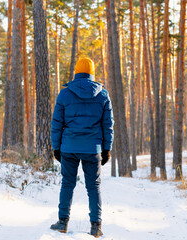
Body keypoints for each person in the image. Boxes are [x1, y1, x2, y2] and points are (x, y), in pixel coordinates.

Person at [50, 58, 114, 238]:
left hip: (69, 147)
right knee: (93, 186)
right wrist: (106, 148)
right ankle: (96, 226)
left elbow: (56, 123)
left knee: (67, 184)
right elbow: (108, 125)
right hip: (93, 149)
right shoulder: (102, 95)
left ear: (76, 72)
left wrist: (56, 147)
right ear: (92, 72)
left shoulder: (65, 94)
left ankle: (62, 222)